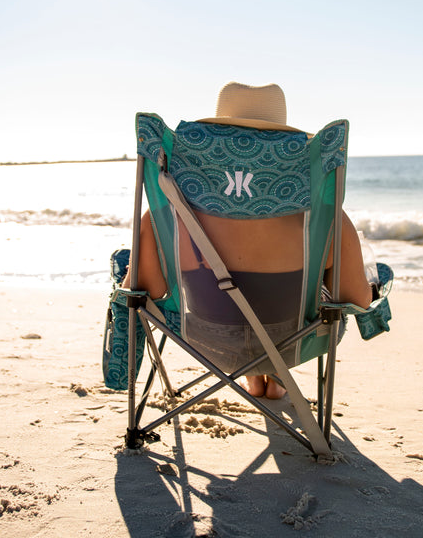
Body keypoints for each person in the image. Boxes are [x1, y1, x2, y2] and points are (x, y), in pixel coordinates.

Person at [123, 82, 372, 399]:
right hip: (293, 340)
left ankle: (253, 374)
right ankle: (274, 373)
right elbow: (357, 300)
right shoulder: (324, 219)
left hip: (205, 342)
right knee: (317, 298)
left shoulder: (165, 216)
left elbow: (144, 293)